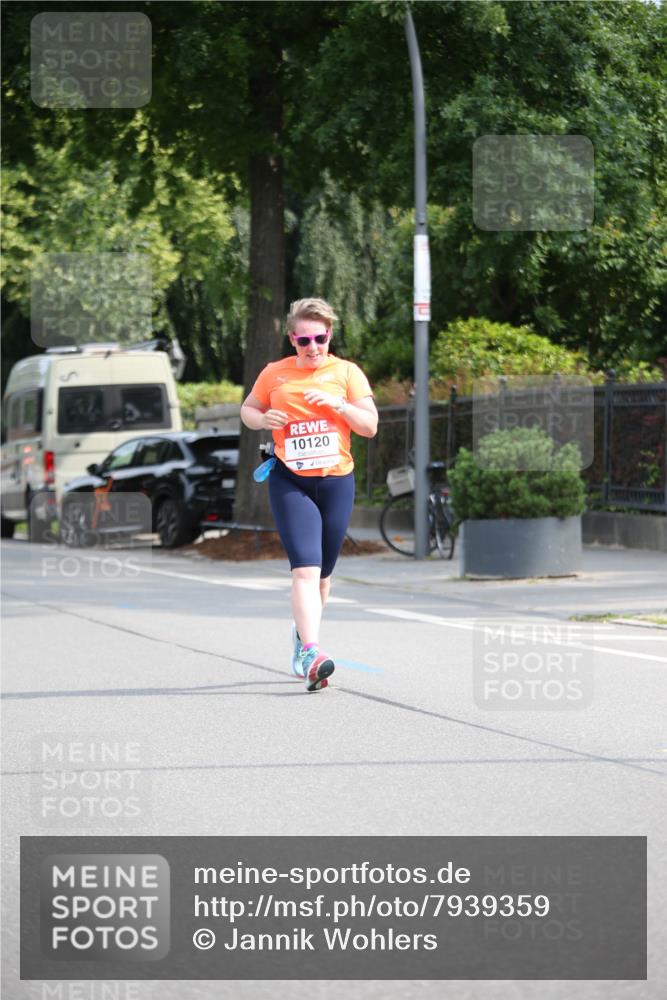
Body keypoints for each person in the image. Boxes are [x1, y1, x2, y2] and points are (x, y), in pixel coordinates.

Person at [240, 298, 378, 692]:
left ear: (329, 335)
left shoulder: (347, 373)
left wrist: (339, 405)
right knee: (304, 568)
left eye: (320, 338)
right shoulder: (274, 374)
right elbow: (248, 410)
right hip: (291, 480)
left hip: (336, 481)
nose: (313, 347)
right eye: (304, 341)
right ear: (292, 339)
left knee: (323, 576)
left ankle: (303, 639)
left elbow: (369, 426)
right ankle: (313, 651)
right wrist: (262, 419)